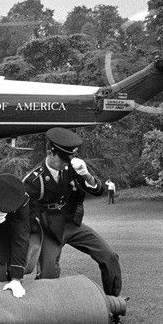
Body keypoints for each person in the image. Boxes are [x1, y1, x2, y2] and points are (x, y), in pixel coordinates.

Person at [23, 127, 122, 298]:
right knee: (49, 274)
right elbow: (27, 214)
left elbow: (99, 191)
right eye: (62, 159)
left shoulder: (73, 169)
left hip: (71, 223)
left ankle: (114, 302)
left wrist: (87, 175)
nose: (65, 164)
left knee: (109, 256)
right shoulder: (33, 180)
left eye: (68, 159)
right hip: (48, 229)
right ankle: (45, 308)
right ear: (50, 153)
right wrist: (36, 237)